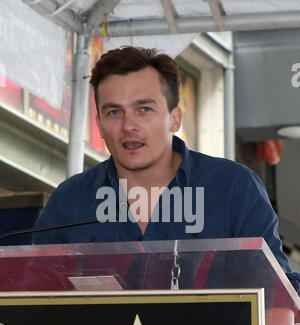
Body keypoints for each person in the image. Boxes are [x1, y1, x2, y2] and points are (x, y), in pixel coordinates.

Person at [33, 46, 300, 295]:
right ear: (100, 125)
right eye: (114, 112)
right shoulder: (70, 200)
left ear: (175, 118)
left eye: (144, 109)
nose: (129, 125)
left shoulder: (233, 188)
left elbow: (276, 306)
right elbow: (31, 298)